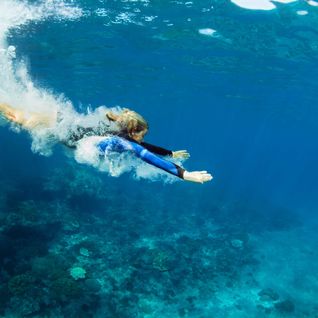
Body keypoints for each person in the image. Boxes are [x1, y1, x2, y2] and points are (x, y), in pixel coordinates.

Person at [0, 103, 212, 183]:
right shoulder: (121, 141)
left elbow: (145, 147)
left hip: (63, 120)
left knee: (18, 113)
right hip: (62, 131)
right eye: (142, 134)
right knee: (18, 119)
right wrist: (184, 174)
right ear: (132, 132)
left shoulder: (120, 130)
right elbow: (143, 154)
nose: (143, 139)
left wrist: (170, 153)